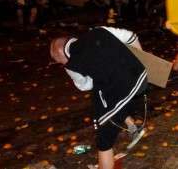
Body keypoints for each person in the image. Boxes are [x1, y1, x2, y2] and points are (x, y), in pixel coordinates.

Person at [49, 26, 147, 169]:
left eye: (59, 61)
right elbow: (131, 36)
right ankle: (132, 125)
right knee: (103, 102)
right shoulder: (98, 30)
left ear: (61, 55)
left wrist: (96, 70)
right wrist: (142, 60)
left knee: (104, 139)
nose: (62, 64)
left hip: (123, 89)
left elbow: (85, 85)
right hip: (141, 75)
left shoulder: (71, 65)